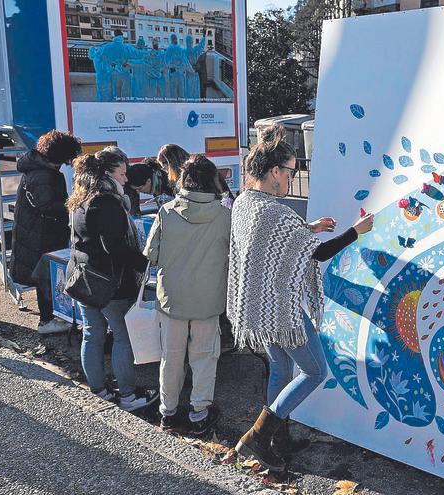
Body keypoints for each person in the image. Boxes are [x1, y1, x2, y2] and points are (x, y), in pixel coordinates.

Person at [226, 125, 374, 471]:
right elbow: (317, 256)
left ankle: (278, 438)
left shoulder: (245, 201)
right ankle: (259, 437)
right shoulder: (277, 212)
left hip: (256, 305)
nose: (293, 178)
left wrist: (307, 229)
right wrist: (356, 231)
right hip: (281, 308)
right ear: (274, 171)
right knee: (315, 370)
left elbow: (267, 242)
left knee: (281, 367)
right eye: (291, 171)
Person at [144, 154, 231, 436]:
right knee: (204, 357)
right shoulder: (224, 216)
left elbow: (151, 254)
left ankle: (167, 413)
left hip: (171, 297)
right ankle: (198, 412)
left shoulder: (166, 211)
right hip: (208, 298)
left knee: (171, 357)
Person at [66, 153, 158, 411]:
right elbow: (115, 247)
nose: (126, 178)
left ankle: (99, 391)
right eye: (121, 173)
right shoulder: (106, 203)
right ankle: (128, 396)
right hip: (111, 283)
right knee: (122, 336)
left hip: (85, 278)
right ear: (107, 174)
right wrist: (145, 264)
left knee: (92, 334)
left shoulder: (80, 199)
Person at [10, 130, 82, 334]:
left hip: (37, 230)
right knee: (46, 276)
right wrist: (75, 205)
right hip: (40, 234)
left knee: (46, 275)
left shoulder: (37, 168)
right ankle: (47, 320)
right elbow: (47, 205)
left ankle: (51, 317)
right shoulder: (42, 174)